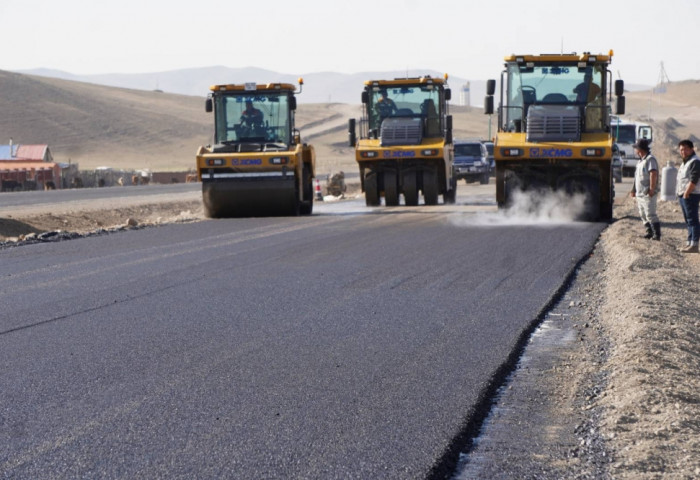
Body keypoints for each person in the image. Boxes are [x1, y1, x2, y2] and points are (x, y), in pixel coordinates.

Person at [630, 138, 660, 240]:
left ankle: (656, 234)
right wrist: (633, 190)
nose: (635, 151)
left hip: (647, 193)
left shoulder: (650, 159)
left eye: (635, 148)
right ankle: (649, 232)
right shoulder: (640, 162)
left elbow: (653, 173)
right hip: (640, 193)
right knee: (643, 214)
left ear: (639, 149)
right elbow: (636, 178)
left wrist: (652, 188)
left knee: (650, 214)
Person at [676, 139, 700, 253]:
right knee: (688, 220)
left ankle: (694, 244)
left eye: (686, 149)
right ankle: (689, 242)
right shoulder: (685, 162)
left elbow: (694, 180)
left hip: (691, 195)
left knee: (692, 220)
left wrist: (686, 193)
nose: (683, 151)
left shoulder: (694, 161)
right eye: (681, 149)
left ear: (691, 149)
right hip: (684, 195)